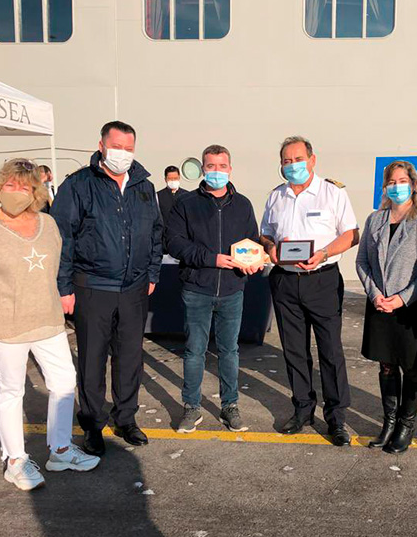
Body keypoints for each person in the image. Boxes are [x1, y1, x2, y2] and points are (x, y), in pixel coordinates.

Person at [0, 159, 100, 491]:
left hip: (48, 322)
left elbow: (54, 270)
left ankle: (61, 449)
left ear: (36, 190)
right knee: (10, 390)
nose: (17, 191)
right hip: (5, 328)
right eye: (10, 184)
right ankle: (15, 460)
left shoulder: (48, 225)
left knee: (64, 382)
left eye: (24, 186)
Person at [51, 121, 163, 457]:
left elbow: (156, 232)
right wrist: (63, 286)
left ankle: (126, 418)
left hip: (134, 288)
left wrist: (153, 272)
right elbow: (63, 238)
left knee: (130, 358)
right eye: (117, 147)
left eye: (129, 148)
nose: (123, 154)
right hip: (92, 287)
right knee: (92, 359)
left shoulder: (144, 186)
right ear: (101, 145)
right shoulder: (79, 185)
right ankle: (92, 425)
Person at [260, 136, 359, 446]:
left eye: (298, 159)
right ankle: (302, 409)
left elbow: (351, 235)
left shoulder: (332, 193)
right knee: (294, 351)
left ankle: (336, 417)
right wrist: (271, 248)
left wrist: (325, 254)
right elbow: (265, 235)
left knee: (330, 351)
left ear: (312, 160)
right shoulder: (276, 196)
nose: (293, 166)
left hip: (322, 280)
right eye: (286, 161)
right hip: (285, 282)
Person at [165, 145, 262, 433]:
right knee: (194, 351)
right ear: (201, 169)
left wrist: (252, 262)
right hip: (198, 288)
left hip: (232, 289)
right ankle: (191, 407)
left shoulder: (243, 204)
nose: (216, 171)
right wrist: (211, 259)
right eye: (210, 166)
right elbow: (174, 243)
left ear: (230, 168)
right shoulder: (185, 204)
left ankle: (229, 405)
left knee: (229, 350)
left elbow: (252, 241)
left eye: (221, 166)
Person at [356, 161, 417, 454]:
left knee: (412, 368)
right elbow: (362, 261)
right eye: (392, 181)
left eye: (403, 180)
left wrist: (403, 297)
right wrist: (375, 293)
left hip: (409, 308)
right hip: (379, 305)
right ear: (386, 186)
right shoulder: (374, 220)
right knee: (386, 365)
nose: (397, 186)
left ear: (413, 184)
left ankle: (406, 425)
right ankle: (388, 422)